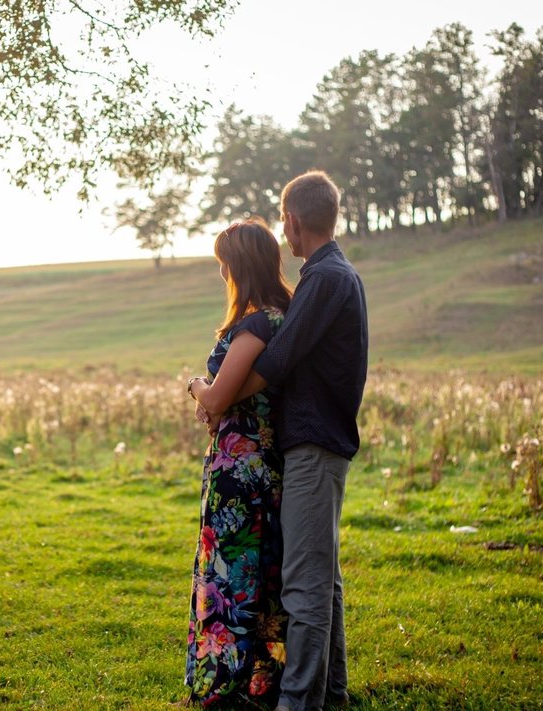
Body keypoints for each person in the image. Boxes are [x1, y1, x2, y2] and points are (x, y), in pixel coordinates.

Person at [192, 170, 368, 711]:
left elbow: (279, 359)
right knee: (323, 581)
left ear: (292, 220)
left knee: (305, 587)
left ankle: (298, 703)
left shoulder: (326, 278)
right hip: (314, 444)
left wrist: (214, 396)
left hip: (314, 445)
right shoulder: (329, 275)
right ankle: (332, 694)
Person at [183, 217, 293, 708]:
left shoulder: (257, 324)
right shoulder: (277, 317)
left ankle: (233, 684)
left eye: (224, 265)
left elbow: (220, 395)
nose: (222, 274)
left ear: (239, 267)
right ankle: (255, 680)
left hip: (241, 472)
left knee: (236, 572)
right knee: (255, 570)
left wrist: (194, 387)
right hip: (250, 464)